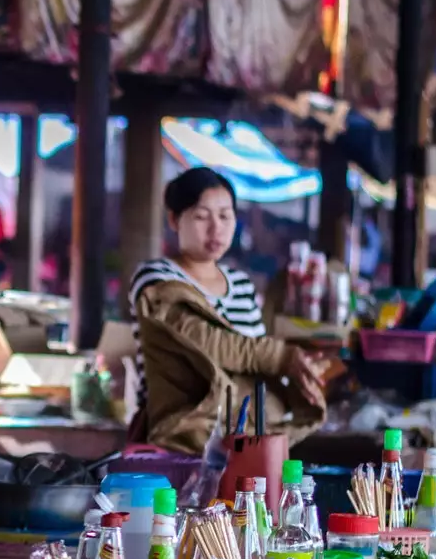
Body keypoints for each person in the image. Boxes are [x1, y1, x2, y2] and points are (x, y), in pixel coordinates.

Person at [130, 167, 326, 453]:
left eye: (225, 215)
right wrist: (281, 357)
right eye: (201, 216)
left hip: (243, 439)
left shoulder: (241, 284)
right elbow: (206, 342)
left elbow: (257, 364)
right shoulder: (156, 279)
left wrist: (304, 373)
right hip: (182, 441)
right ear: (174, 219)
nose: (216, 228)